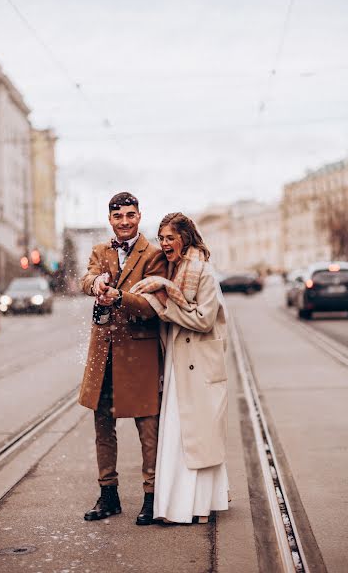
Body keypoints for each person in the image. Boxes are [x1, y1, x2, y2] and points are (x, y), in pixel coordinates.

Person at [130, 212, 229, 524]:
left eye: (169, 238)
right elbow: (169, 310)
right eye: (161, 238)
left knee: (195, 437)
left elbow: (203, 319)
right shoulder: (174, 272)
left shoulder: (204, 273)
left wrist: (166, 299)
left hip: (198, 366)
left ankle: (195, 506)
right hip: (178, 365)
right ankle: (180, 504)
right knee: (180, 435)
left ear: (185, 237)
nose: (164, 243)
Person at [79, 192, 167, 525]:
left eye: (131, 215)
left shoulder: (154, 256)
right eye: (119, 217)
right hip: (103, 354)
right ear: (110, 220)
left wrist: (120, 298)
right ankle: (109, 495)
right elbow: (86, 278)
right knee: (103, 426)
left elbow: (154, 307)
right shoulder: (101, 251)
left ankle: (151, 496)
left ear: (139, 216)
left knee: (148, 429)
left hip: (140, 354)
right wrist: (95, 283)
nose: (125, 222)